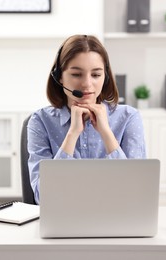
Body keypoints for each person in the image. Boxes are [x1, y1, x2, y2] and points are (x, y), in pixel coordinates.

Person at [27, 34, 146, 204]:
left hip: (116, 218)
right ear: (59, 76)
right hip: (63, 220)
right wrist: (72, 134)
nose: (87, 84)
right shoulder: (40, 121)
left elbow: (136, 192)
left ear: (105, 77)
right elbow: (43, 197)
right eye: (77, 74)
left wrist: (106, 132)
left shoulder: (129, 118)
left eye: (96, 75)